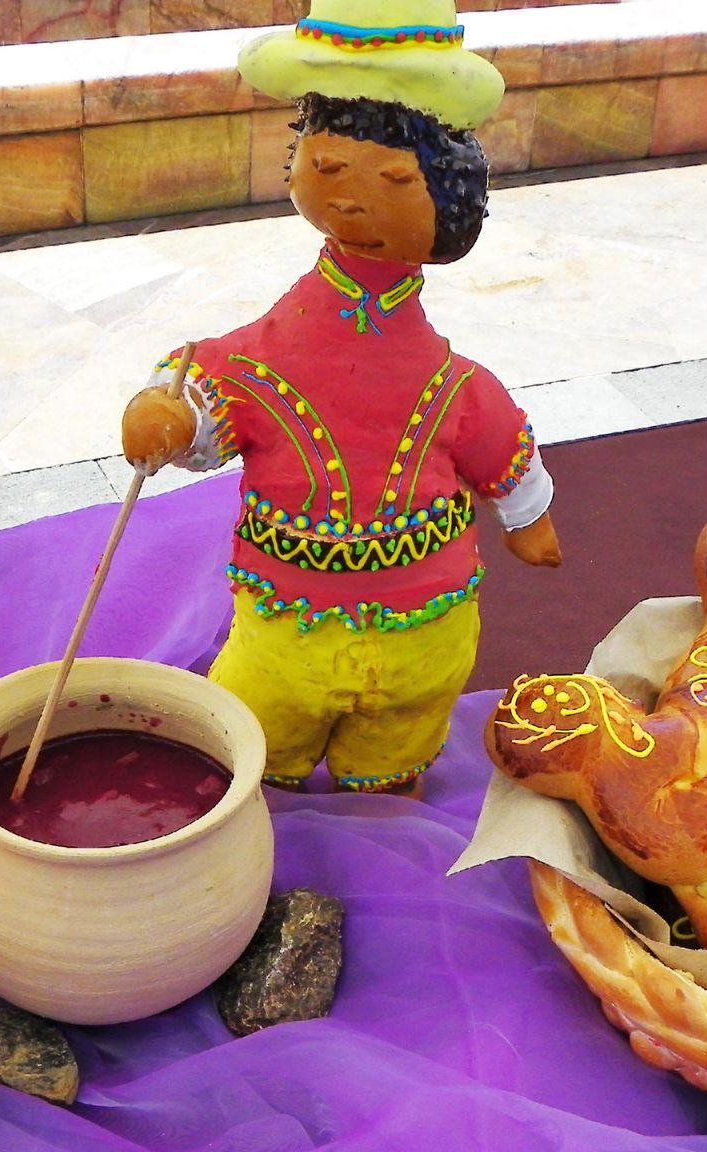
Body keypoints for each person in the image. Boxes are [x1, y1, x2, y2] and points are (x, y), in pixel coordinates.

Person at [121, 1, 561, 796]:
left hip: (424, 628)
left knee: (392, 766)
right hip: (287, 625)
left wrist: (528, 513)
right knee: (259, 753)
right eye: (326, 171)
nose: (354, 200)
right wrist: (173, 409)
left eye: (394, 181)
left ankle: (382, 783)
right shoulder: (276, 346)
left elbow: (491, 428)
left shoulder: (449, 379)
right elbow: (223, 377)